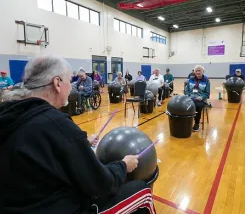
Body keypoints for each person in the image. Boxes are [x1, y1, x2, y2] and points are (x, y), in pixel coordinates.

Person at [0, 55, 156, 214]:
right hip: (56, 206)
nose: (71, 88)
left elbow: (39, 151)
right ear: (57, 83)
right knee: (142, 191)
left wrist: (77, 144)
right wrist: (123, 165)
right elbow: (101, 184)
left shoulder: (9, 113)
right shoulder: (56, 124)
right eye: (69, 82)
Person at [185, 65, 210, 132]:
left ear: (203, 71)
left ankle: (196, 123)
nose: (198, 72)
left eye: (199, 70)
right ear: (194, 72)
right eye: (196, 71)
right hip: (190, 97)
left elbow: (207, 93)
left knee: (197, 105)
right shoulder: (191, 79)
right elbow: (186, 89)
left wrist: (201, 97)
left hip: (200, 99)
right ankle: (187, 120)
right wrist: (187, 95)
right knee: (182, 104)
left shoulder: (206, 80)